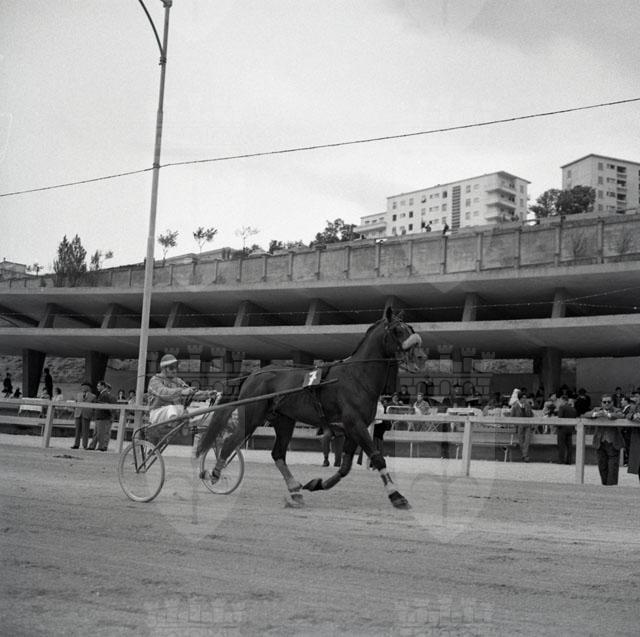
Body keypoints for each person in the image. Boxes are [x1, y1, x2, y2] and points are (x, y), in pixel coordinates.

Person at [589, 394, 625, 486]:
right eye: (604, 402)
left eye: (609, 402)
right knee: (602, 466)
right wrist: (595, 414)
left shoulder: (616, 410)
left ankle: (611, 487)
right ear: (601, 403)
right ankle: (605, 486)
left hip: (613, 443)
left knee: (613, 467)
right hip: (600, 442)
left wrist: (608, 415)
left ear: (612, 402)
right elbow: (584, 415)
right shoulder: (597, 410)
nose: (606, 403)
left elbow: (621, 415)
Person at [88, 380, 115, 451]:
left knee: (101, 432)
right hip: (100, 416)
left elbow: (105, 405)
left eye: (99, 386)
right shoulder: (102, 394)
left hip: (103, 416)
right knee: (97, 432)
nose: (97, 387)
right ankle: (93, 446)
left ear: (103, 386)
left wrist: (96, 402)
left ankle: (101, 446)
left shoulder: (105, 395)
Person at [509, 388, 533, 462]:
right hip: (519, 426)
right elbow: (512, 417)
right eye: (523, 398)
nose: (525, 399)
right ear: (520, 399)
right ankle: (525, 455)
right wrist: (516, 425)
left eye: (525, 398)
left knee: (527, 440)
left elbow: (531, 414)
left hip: (527, 425)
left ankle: (525, 456)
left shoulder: (528, 405)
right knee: (521, 441)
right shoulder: (515, 406)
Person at [72, 381, 95, 449]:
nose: (83, 388)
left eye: (84, 386)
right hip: (78, 414)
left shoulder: (93, 396)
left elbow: (94, 407)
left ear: (88, 387)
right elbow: (75, 403)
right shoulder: (78, 395)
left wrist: (91, 414)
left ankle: (85, 445)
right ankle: (76, 444)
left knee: (85, 430)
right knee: (77, 430)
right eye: (82, 387)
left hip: (86, 414)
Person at [556, 394, 576, 464]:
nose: (560, 402)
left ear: (563, 400)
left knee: (561, 445)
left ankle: (561, 460)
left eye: (560, 400)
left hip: (562, 428)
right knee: (569, 446)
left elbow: (560, 418)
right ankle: (569, 460)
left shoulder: (562, 407)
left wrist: (558, 427)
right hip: (570, 428)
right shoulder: (573, 409)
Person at [626, 392, 640, 484]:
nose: (635, 398)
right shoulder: (633, 407)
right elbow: (627, 414)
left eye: (637, 397)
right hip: (637, 436)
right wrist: (633, 416)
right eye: (634, 397)